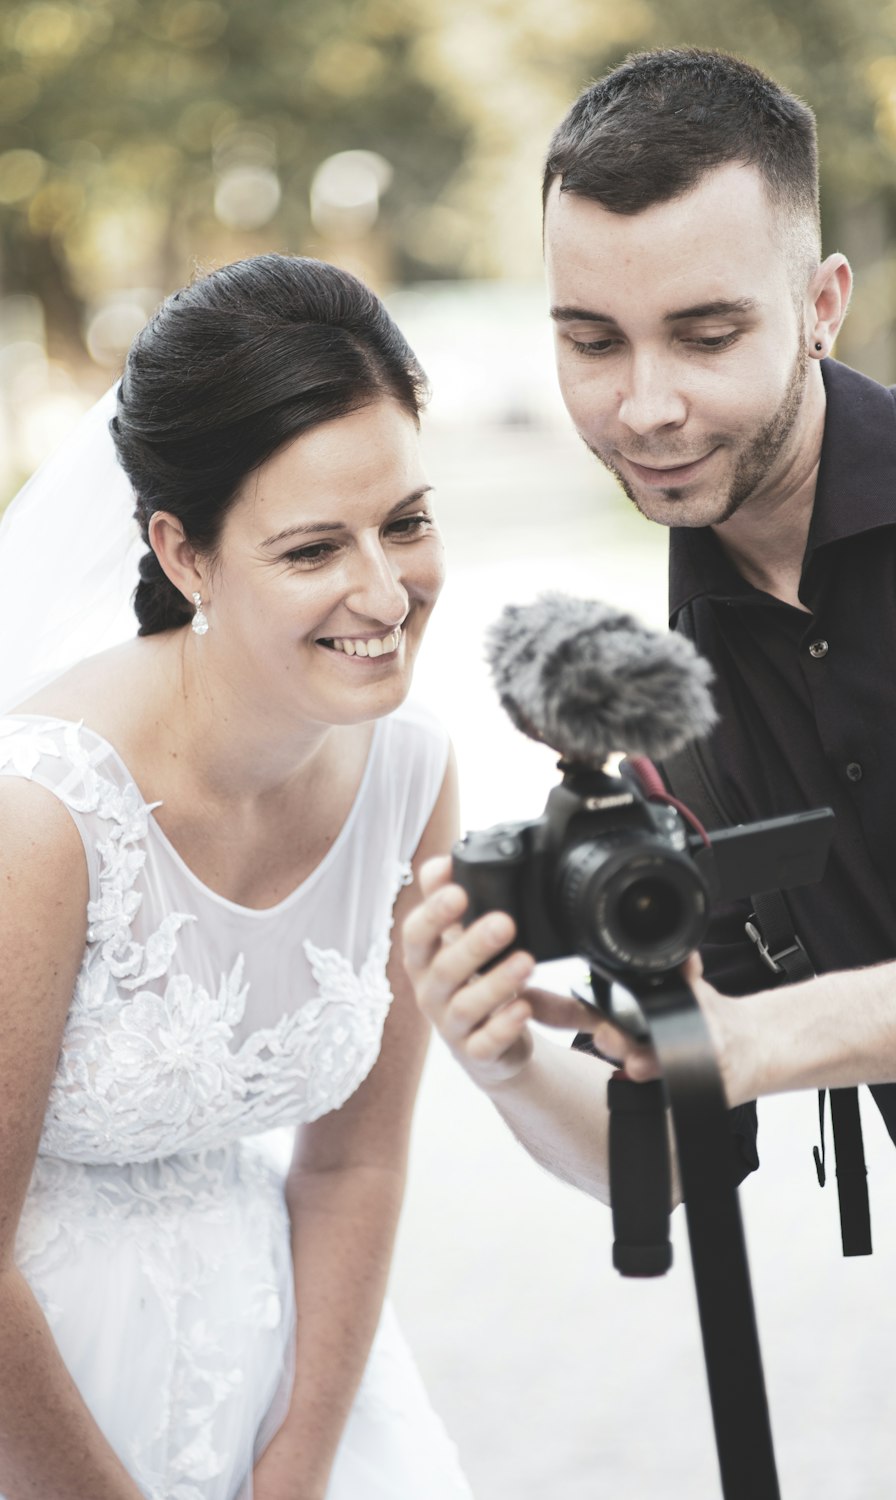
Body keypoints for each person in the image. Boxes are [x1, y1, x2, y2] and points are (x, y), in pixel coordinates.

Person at [401, 47, 896, 1500]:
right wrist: (502, 1061)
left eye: (706, 332)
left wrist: (771, 1041)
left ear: (822, 305)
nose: (646, 405)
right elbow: (672, 1165)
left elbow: (753, 1049)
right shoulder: (652, 705)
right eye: (593, 341)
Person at [0, 253, 473, 1500]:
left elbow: (353, 1163)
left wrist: (299, 1458)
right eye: (315, 548)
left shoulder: (412, 780)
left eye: (408, 522)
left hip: (285, 1372)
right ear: (186, 553)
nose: (386, 592)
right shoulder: (44, 816)